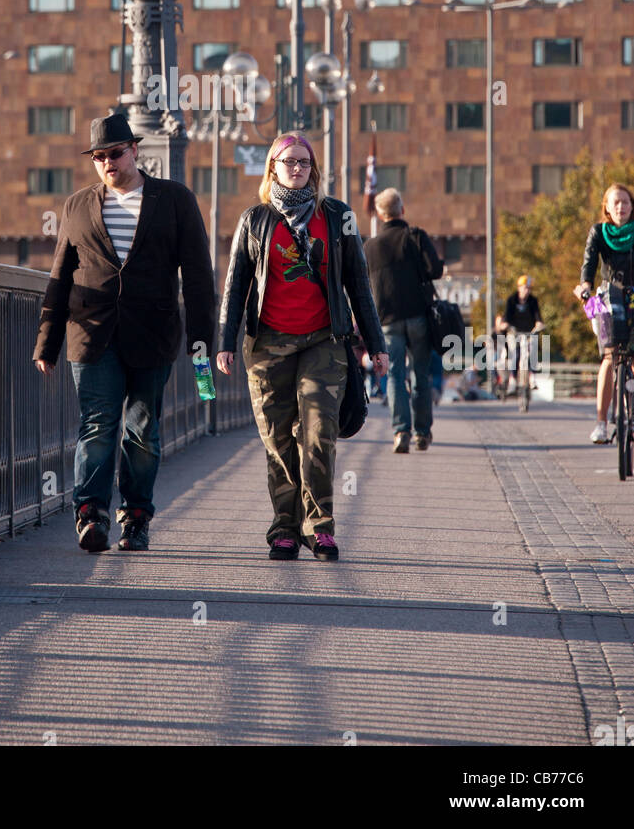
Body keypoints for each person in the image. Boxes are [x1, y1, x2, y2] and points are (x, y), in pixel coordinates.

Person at [33, 114, 215, 551]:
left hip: (152, 334)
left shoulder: (173, 200)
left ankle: (136, 517)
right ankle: (90, 513)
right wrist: (47, 341)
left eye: (115, 153)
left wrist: (202, 342)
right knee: (97, 424)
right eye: (99, 157)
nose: (107, 163)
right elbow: (60, 276)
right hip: (90, 335)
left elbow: (197, 275)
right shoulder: (78, 205)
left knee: (142, 428)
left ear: (135, 150)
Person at [216, 133, 387, 561]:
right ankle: (285, 527)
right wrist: (224, 342)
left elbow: (358, 286)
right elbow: (236, 285)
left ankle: (321, 525)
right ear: (272, 167)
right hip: (268, 343)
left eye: (304, 162)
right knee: (277, 439)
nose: (297, 168)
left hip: (323, 340)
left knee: (318, 432)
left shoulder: (338, 217)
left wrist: (377, 344)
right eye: (288, 161)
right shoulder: (254, 219)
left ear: (313, 170)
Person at [363, 187, 444, 453]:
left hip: (386, 320)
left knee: (395, 375)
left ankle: (401, 432)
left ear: (379, 214)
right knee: (421, 374)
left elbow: (362, 285)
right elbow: (435, 270)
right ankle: (422, 432)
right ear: (402, 210)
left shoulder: (370, 247)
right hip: (418, 316)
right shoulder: (415, 236)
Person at [573, 181, 634, 445]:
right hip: (608, 295)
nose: (621, 206)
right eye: (616, 202)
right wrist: (585, 287)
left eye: (626, 202)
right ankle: (600, 422)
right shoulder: (598, 232)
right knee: (609, 356)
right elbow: (588, 265)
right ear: (607, 208)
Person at [498, 275, 544, 395]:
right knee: (516, 353)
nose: (527, 291)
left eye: (529, 288)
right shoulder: (512, 300)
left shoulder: (533, 301)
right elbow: (507, 316)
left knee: (532, 351)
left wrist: (539, 324)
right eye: (525, 287)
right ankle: (513, 380)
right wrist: (505, 325)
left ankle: (532, 377)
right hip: (515, 331)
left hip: (529, 331)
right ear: (519, 288)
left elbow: (537, 316)